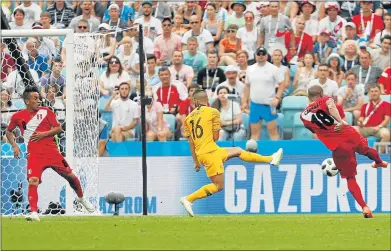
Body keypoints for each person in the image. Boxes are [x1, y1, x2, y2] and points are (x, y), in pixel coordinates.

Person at [180, 89, 283, 217]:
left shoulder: (188, 119)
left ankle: (270, 159)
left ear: (194, 101)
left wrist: (196, 162)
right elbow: (216, 137)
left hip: (205, 153)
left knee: (238, 151)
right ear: (207, 100)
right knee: (218, 186)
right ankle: (189, 199)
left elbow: (191, 143)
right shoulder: (213, 112)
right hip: (211, 152)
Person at [5, 86, 95, 221]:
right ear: (27, 101)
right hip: (34, 155)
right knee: (32, 181)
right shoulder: (17, 116)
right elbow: (8, 131)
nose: (39, 100)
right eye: (35, 98)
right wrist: (14, 146)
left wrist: (44, 134)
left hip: (52, 153)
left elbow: (58, 128)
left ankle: (82, 199)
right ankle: (34, 212)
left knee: (71, 176)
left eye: (39, 98)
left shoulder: (46, 112)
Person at [300, 85, 388, 218]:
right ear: (321, 93)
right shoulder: (326, 99)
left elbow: (315, 131)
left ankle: (364, 207)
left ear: (309, 97)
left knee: (350, 178)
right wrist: (340, 121)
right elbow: (331, 107)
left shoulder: (303, 116)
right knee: (366, 149)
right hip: (348, 134)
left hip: (338, 147)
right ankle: (379, 162)